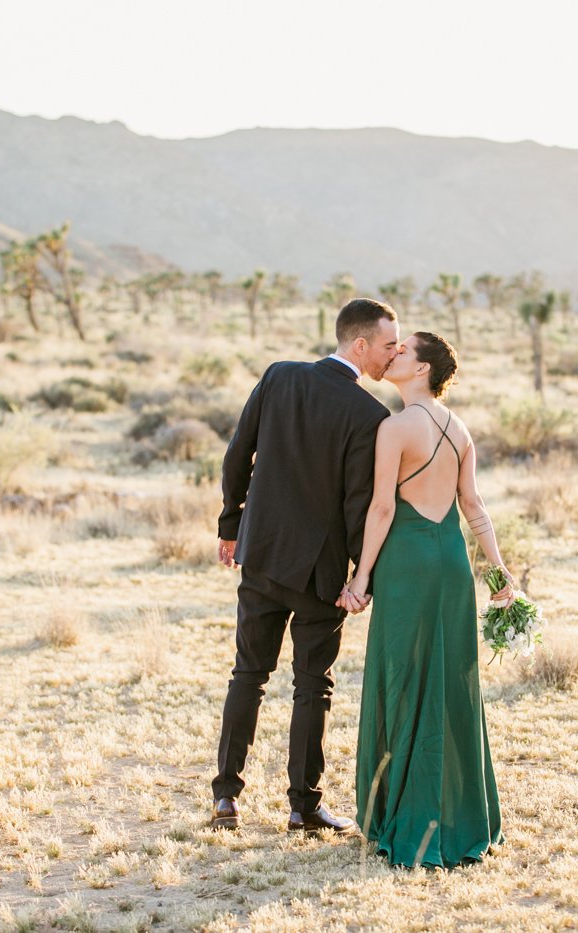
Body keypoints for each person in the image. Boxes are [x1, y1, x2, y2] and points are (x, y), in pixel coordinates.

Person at [211, 298, 401, 834]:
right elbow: (357, 503)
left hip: (263, 554)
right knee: (311, 685)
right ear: (359, 345)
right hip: (319, 575)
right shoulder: (369, 415)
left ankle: (226, 797)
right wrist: (363, 577)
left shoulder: (279, 377)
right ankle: (303, 806)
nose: (396, 352)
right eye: (389, 344)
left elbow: (237, 454)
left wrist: (231, 526)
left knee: (247, 674)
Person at [342, 332, 511, 868]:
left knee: (403, 677)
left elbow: (382, 511)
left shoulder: (394, 428)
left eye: (403, 352)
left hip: (408, 563)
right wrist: (502, 573)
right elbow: (474, 507)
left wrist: (360, 577)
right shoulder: (459, 429)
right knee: (450, 680)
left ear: (422, 370)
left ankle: (405, 816)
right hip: (452, 562)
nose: (393, 356)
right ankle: (460, 816)